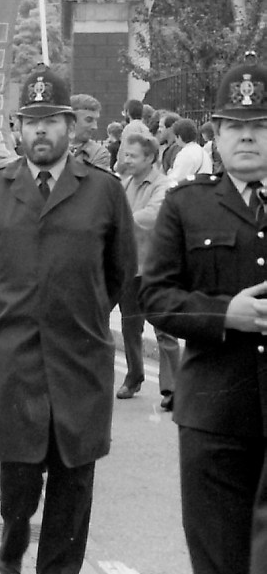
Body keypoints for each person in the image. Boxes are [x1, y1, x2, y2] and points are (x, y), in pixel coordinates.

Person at [0, 68, 136, 574]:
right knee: (19, 482)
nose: (40, 132)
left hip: (80, 359)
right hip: (14, 360)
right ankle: (13, 540)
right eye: (30, 122)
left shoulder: (102, 191)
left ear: (70, 126)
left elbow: (120, 269)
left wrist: (86, 311)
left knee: (74, 484)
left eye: (50, 122)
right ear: (17, 128)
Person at [139, 60, 267, 574]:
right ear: (216, 132)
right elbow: (157, 297)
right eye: (235, 126)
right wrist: (224, 315)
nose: (246, 137)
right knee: (219, 568)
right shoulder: (187, 205)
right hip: (215, 410)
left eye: (258, 126)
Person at [115, 133, 179, 407]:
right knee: (130, 326)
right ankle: (134, 376)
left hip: (156, 268)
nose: (126, 160)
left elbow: (152, 215)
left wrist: (118, 220)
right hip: (130, 267)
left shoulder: (163, 186)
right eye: (124, 155)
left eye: (132, 156)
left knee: (164, 327)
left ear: (150, 158)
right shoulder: (125, 183)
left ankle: (172, 389)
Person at [68, 94, 111, 169]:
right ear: (71, 121)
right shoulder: (50, 148)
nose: (95, 127)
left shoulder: (99, 153)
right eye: (89, 120)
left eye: (96, 121)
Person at [167, 118, 211, 182]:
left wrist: (170, 173)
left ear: (179, 136)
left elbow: (177, 179)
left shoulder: (185, 154)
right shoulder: (203, 151)